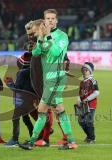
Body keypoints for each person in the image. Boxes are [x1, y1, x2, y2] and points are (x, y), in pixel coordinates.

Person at [19, 9, 77, 150]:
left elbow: (56, 52)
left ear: (56, 20)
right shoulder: (43, 36)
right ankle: (71, 142)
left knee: (42, 110)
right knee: (59, 110)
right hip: (49, 79)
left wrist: (48, 35)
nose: (50, 21)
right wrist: (40, 37)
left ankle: (32, 142)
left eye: (52, 18)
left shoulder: (62, 36)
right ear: (44, 21)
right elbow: (36, 52)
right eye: (48, 18)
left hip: (56, 77)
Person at [75, 62, 100, 144]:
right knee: (81, 121)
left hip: (91, 105)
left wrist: (87, 99)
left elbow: (96, 93)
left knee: (88, 121)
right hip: (82, 105)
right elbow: (79, 93)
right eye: (83, 69)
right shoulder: (82, 82)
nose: (84, 71)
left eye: (86, 69)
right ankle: (89, 136)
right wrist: (78, 99)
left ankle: (92, 138)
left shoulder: (93, 80)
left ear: (90, 71)